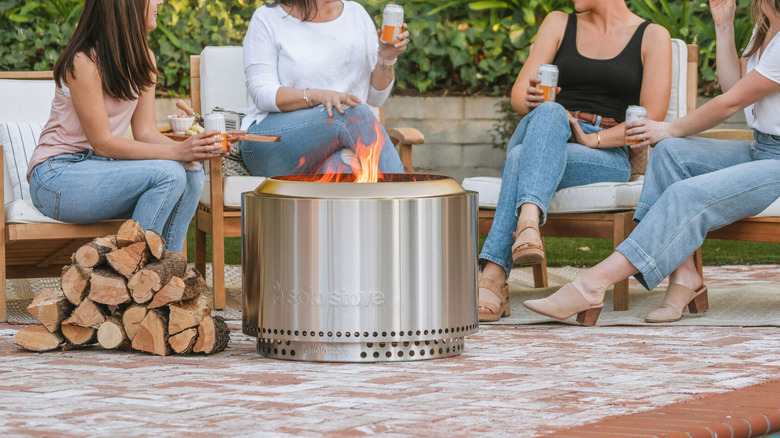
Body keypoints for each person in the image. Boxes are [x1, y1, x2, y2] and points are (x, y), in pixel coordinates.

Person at [523, 0, 780, 325]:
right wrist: (724, 24)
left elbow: (733, 101)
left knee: (685, 194)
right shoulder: (765, 27)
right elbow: (733, 85)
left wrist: (669, 126)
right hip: (762, 148)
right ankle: (685, 275)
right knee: (670, 152)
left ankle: (591, 284)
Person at [478, 0, 672, 321]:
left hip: (604, 151)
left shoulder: (652, 36)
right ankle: (527, 225)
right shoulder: (557, 23)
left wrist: (592, 138)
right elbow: (518, 96)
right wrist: (527, 98)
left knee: (519, 159)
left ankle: (495, 275)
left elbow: (650, 118)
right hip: (544, 130)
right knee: (551, 110)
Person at [27, 0, 228, 252]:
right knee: (169, 173)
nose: (160, 2)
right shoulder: (83, 60)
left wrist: (197, 149)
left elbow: (145, 132)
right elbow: (102, 143)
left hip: (102, 172)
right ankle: (133, 272)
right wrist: (178, 151)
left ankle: (163, 273)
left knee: (192, 172)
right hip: (57, 177)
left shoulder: (145, 58)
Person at [239, 0, 408, 177]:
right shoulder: (267, 18)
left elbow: (375, 98)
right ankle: (405, 199)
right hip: (271, 142)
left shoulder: (357, 15)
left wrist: (386, 58)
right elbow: (262, 94)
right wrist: (319, 96)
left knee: (343, 169)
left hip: (335, 145)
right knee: (353, 114)